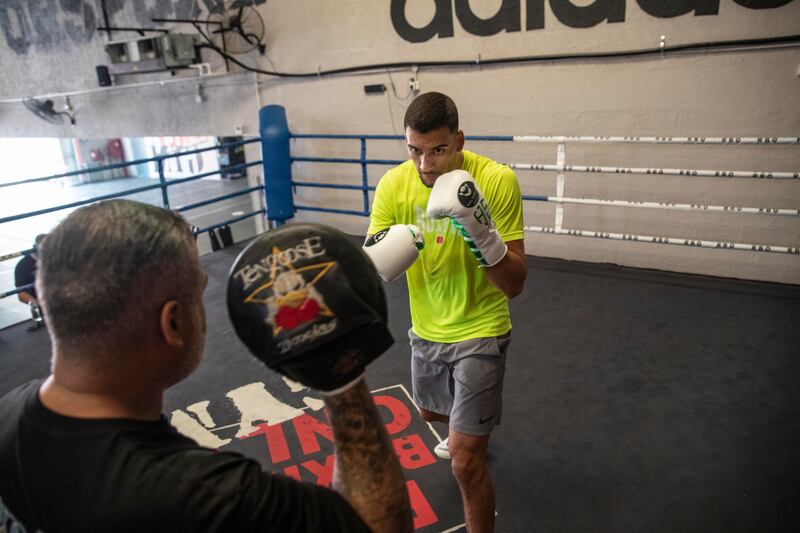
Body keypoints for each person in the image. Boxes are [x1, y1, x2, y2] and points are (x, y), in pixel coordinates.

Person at [0, 200, 412, 533]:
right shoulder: (208, 498)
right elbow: (375, 524)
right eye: (199, 289)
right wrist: (341, 376)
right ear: (173, 323)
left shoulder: (6, 416)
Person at [364, 92, 527, 532]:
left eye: (437, 150)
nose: (424, 165)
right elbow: (376, 265)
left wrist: (482, 233)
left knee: (465, 463)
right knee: (431, 416)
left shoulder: (495, 180)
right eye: (414, 150)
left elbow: (514, 284)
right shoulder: (393, 185)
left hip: (481, 330)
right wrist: (395, 247)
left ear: (458, 140)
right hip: (428, 330)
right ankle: (468, 425)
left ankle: (470, 439)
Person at [14, 234, 46, 330]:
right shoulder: (23, 265)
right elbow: (21, 294)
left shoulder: (58, 258)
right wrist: (38, 304)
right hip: (43, 305)